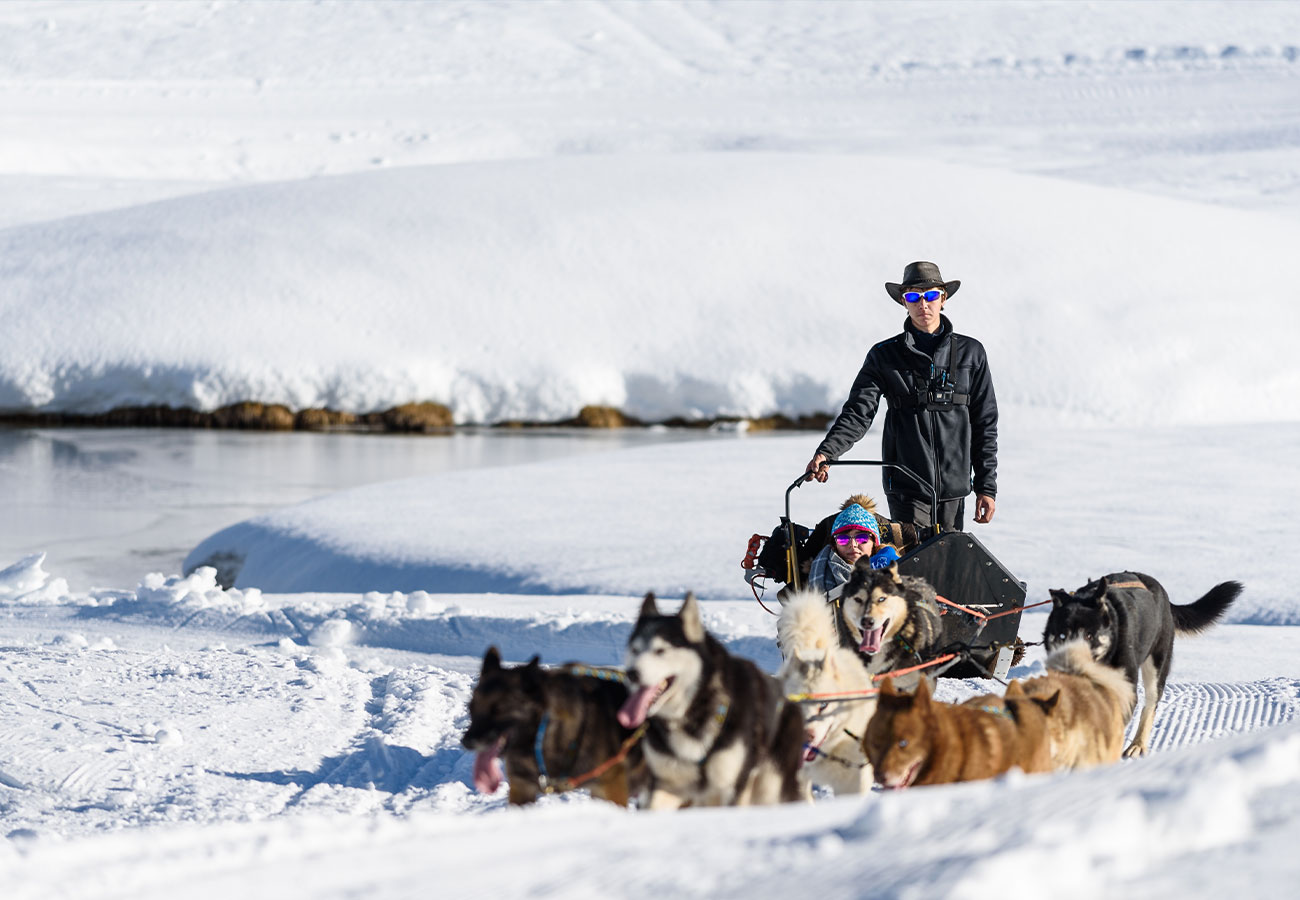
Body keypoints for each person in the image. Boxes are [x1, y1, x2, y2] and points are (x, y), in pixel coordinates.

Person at [804, 261, 998, 531]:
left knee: (948, 565)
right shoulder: (884, 356)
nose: (923, 304)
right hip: (907, 488)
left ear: (943, 298)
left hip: (954, 489)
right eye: (913, 297)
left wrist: (986, 487)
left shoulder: (971, 353)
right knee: (913, 566)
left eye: (930, 295)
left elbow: (985, 424)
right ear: (903, 302)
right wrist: (828, 452)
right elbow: (857, 414)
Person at [807, 502, 900, 597]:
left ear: (874, 543)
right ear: (834, 545)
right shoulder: (821, 574)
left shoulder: (894, 566)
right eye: (843, 539)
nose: (853, 545)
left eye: (862, 538)